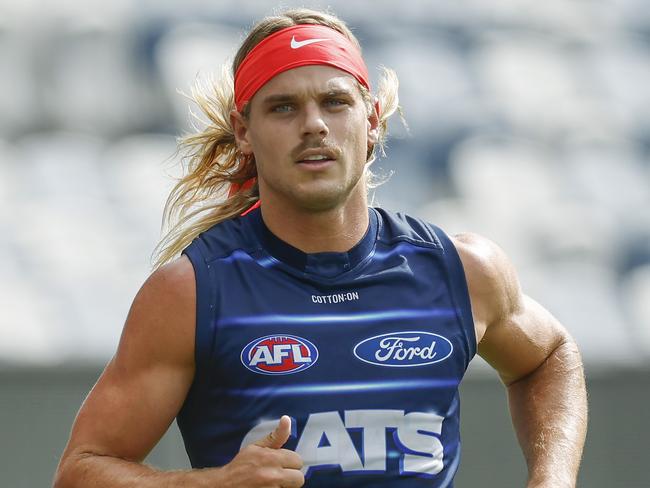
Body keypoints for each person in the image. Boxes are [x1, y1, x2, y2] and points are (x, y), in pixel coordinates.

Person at [53, 8, 587, 488]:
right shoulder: (193, 292)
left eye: (334, 102)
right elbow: (81, 469)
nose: (313, 126)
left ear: (371, 120)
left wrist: (552, 478)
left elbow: (550, 358)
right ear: (243, 131)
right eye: (283, 108)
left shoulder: (462, 270)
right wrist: (212, 486)